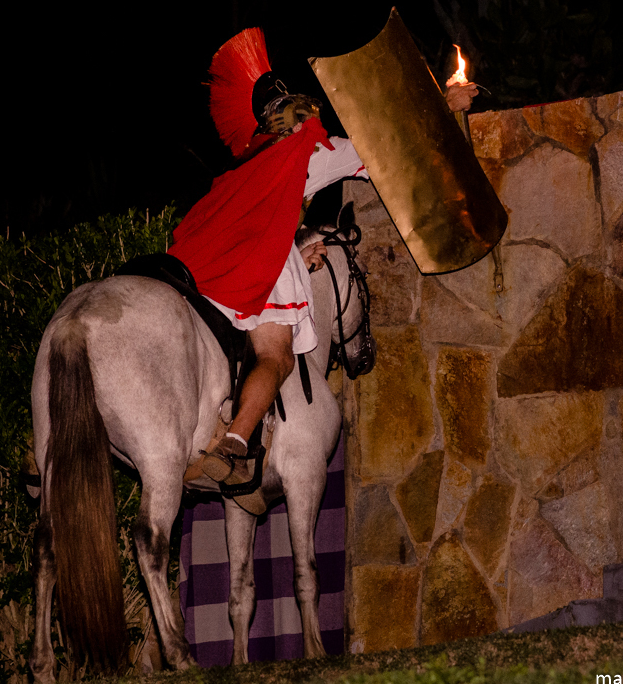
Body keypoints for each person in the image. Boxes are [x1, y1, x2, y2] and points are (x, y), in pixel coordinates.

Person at [169, 28, 476, 513]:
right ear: (297, 119)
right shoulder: (310, 152)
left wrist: (297, 249)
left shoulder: (244, 167)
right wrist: (445, 104)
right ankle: (234, 446)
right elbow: (386, 148)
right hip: (256, 265)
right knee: (276, 358)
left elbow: (264, 221)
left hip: (205, 267)